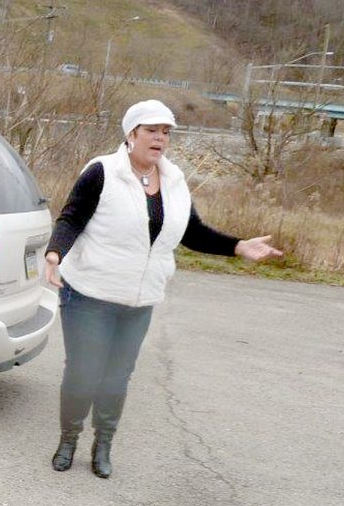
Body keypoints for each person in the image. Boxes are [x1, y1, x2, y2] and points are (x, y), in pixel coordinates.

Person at [44, 99, 283, 478]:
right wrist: (55, 253)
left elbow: (192, 232)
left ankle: (103, 444)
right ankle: (68, 440)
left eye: (166, 132)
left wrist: (238, 246)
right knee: (84, 373)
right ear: (132, 134)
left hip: (139, 300)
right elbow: (72, 218)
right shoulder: (102, 172)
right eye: (152, 130)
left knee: (117, 377)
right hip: (89, 294)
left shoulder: (174, 181)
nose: (160, 138)